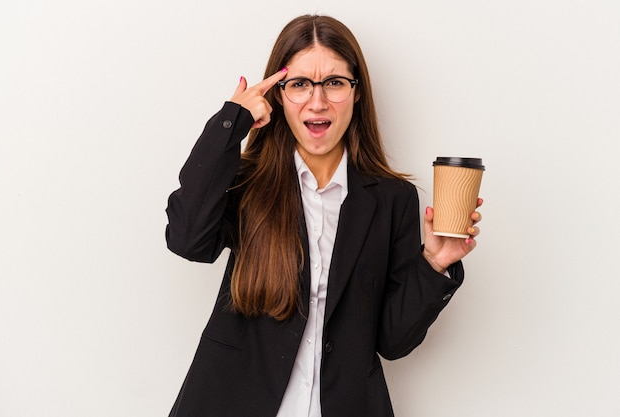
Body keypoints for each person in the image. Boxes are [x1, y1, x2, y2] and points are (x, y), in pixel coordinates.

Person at [165, 14, 482, 417]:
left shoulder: (391, 199)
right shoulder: (247, 184)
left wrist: (434, 263)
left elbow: (393, 341)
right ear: (278, 95)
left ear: (357, 93)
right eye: (299, 84)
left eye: (334, 83)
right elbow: (187, 238)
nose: (317, 101)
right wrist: (232, 121)